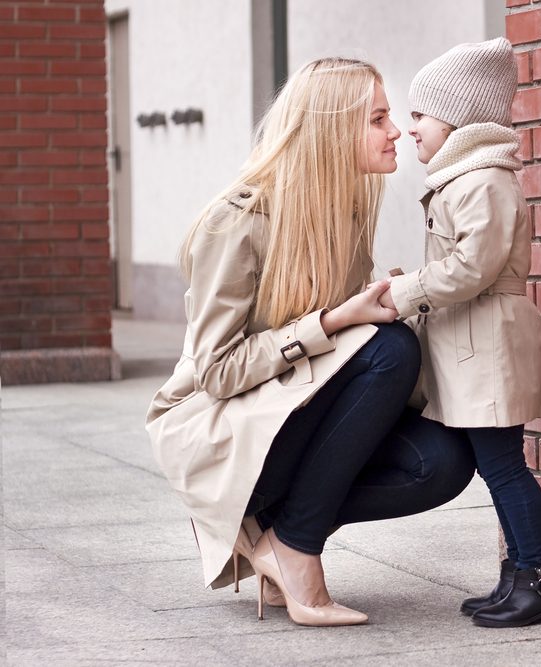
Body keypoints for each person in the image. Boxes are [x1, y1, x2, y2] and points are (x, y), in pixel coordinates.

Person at [146, 57, 475, 628]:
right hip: (221, 436)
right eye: (378, 118)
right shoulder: (237, 221)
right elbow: (217, 372)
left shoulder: (340, 215)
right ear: (332, 130)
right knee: (387, 350)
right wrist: (333, 321)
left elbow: (340, 360)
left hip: (284, 418)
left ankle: (279, 532)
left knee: (443, 463)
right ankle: (292, 544)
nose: (395, 131)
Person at [381, 38, 541, 628]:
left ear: (458, 116)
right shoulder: (465, 177)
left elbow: (474, 266)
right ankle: (518, 575)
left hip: (488, 345)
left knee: (504, 467)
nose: (409, 128)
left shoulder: (485, 179)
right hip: (472, 344)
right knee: (497, 467)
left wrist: (408, 290)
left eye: (419, 114)